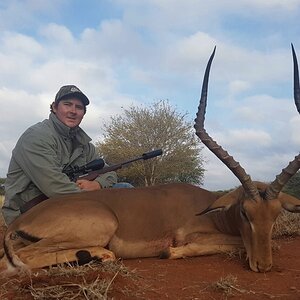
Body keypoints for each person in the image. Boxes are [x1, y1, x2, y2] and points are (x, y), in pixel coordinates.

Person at [2, 85, 119, 225]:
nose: (73, 111)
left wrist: (97, 185)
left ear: (83, 113)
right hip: (30, 214)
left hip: (66, 204)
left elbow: (110, 173)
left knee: (125, 189)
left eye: (79, 107)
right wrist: (92, 195)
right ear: (55, 107)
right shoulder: (36, 136)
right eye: (67, 104)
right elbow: (56, 188)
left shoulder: (85, 144)